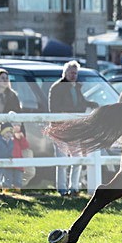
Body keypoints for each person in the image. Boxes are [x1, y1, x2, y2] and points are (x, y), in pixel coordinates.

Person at [49, 60, 100, 196]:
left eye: (75, 73)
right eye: (71, 72)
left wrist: (93, 104)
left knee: (77, 158)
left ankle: (74, 187)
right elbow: (55, 108)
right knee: (62, 160)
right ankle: (62, 189)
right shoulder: (57, 88)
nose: (73, 75)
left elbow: (81, 103)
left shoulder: (76, 87)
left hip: (74, 129)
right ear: (65, 73)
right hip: (60, 129)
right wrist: (72, 112)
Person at [9, 123, 30, 190]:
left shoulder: (19, 136)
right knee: (7, 181)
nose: (17, 127)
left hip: (18, 163)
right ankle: (5, 194)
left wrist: (22, 138)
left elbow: (25, 146)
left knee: (18, 181)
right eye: (15, 125)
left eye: (19, 125)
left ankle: (17, 192)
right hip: (8, 163)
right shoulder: (5, 135)